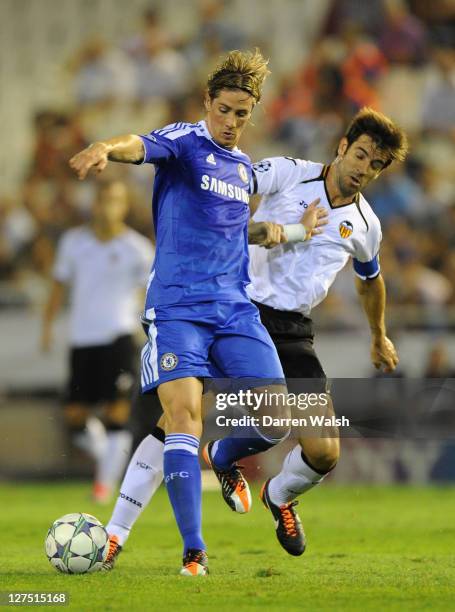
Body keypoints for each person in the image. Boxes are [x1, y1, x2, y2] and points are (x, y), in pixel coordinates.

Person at [100, 107, 408, 568]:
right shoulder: (287, 173)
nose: (364, 169)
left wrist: (379, 335)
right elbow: (226, 197)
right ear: (342, 147)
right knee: (177, 419)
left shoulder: (366, 225)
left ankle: (274, 492)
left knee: (324, 451)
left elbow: (370, 280)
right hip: (235, 307)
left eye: (376, 164)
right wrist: (258, 231)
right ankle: (115, 533)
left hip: (294, 330)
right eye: (361, 154)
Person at [69, 49, 327, 577]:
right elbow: (137, 145)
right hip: (178, 309)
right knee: (183, 416)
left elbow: (238, 232)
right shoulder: (186, 141)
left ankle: (225, 456)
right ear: (207, 102)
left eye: (241, 114)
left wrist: (297, 231)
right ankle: (194, 551)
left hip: (235, 309)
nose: (231, 122)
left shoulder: (241, 170)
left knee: (277, 419)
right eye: (224, 110)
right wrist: (104, 147)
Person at [41, 180, 152, 503]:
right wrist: (47, 326)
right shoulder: (74, 242)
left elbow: (151, 293)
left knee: (116, 413)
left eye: (115, 200)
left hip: (120, 334)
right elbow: (59, 286)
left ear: (124, 206)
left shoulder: (138, 248)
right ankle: (108, 457)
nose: (107, 206)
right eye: (103, 199)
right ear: (95, 203)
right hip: (82, 337)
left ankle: (103, 487)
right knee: (75, 416)